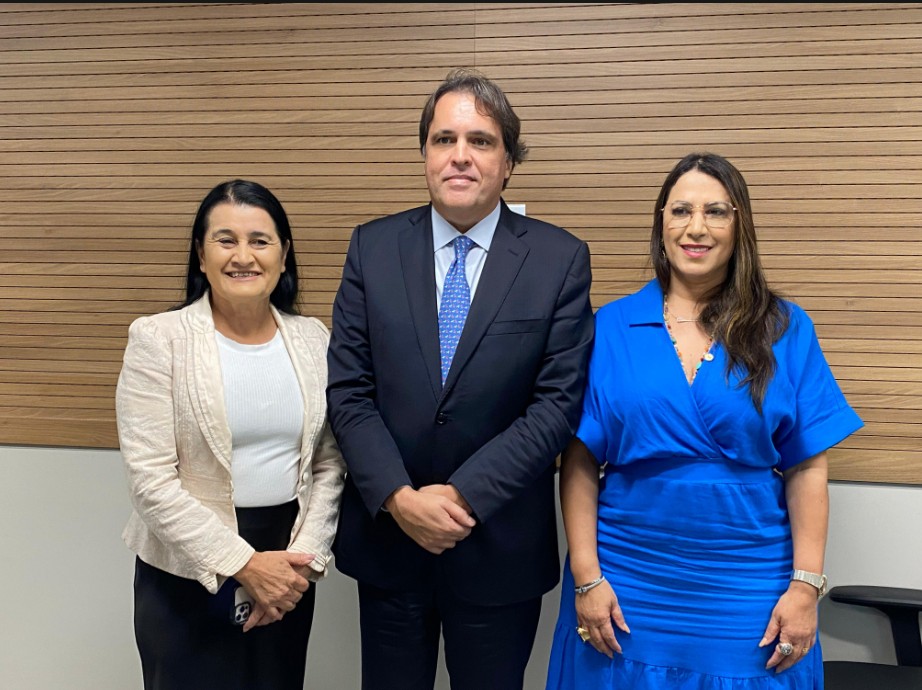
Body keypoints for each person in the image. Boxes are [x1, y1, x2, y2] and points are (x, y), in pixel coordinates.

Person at [545, 152, 864, 689]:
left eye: (716, 212)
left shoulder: (784, 327)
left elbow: (807, 466)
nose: (696, 228)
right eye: (680, 211)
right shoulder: (612, 326)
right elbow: (578, 460)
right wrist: (586, 577)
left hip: (749, 587)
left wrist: (806, 586)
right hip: (626, 581)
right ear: (661, 224)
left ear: (740, 227)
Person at [326, 67, 595, 690]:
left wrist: (462, 497)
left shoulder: (558, 259)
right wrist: (400, 498)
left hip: (498, 547)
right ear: (425, 154)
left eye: (481, 141)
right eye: (444, 139)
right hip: (390, 545)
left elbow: (556, 406)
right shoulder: (372, 248)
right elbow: (349, 390)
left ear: (509, 162)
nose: (460, 156)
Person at [115, 179, 346, 690]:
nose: (243, 256)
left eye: (260, 241)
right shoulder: (159, 339)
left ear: (283, 255)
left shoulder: (313, 339)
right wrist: (244, 564)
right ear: (201, 256)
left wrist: (302, 563)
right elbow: (150, 482)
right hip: (187, 565)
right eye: (226, 240)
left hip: (285, 563)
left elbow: (329, 461)